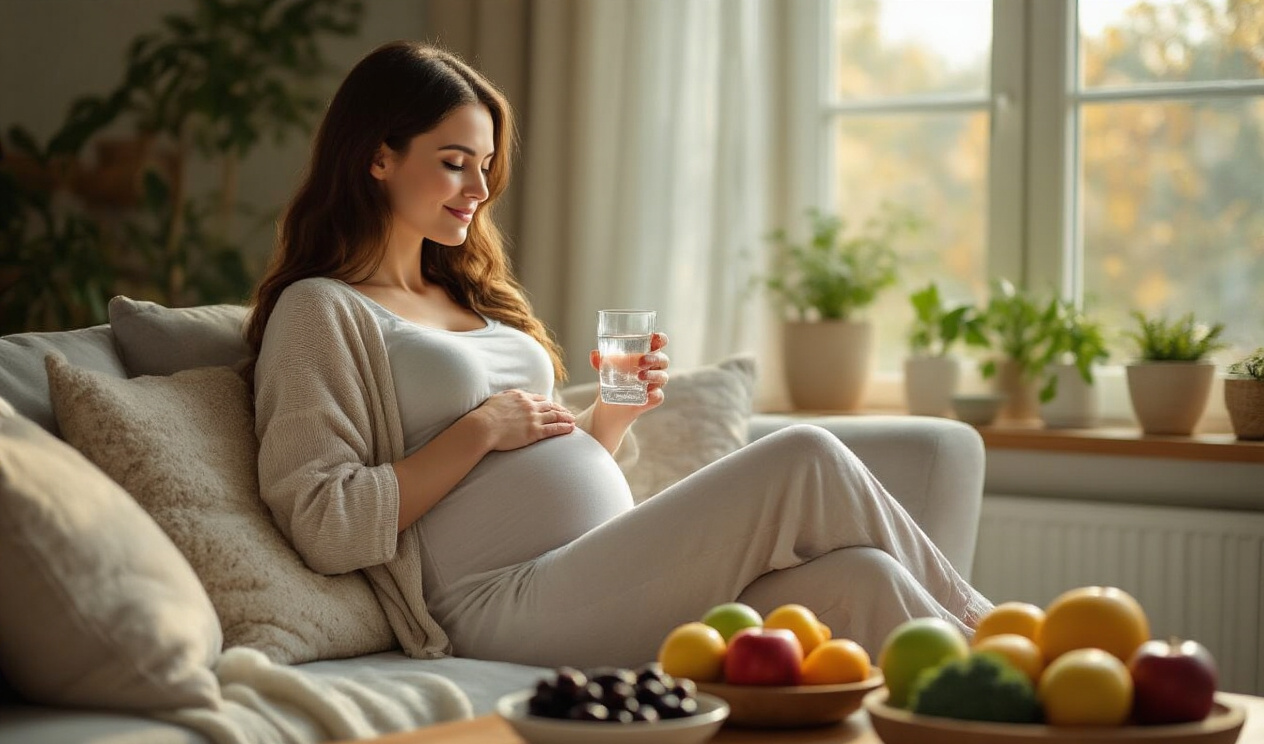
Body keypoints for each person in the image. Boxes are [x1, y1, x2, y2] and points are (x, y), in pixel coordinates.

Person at [245, 41, 991, 668]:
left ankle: (1000, 741)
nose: (479, 188)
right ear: (379, 158)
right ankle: (1010, 645)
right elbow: (323, 523)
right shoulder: (322, 309)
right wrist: (481, 428)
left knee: (864, 579)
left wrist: (610, 420)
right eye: (454, 162)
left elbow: (544, 470)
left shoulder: (470, 299)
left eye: (485, 165)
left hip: (590, 571)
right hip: (493, 604)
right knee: (804, 456)